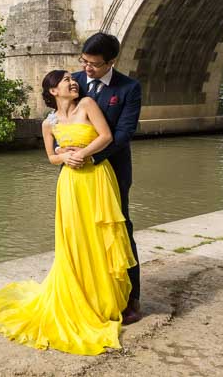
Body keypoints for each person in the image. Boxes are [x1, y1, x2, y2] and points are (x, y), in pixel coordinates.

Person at [0, 70, 137, 355]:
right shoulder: (48, 123)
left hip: (97, 177)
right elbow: (51, 157)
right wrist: (65, 156)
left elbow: (107, 136)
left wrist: (82, 154)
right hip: (70, 183)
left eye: (72, 80)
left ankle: (103, 298)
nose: (73, 82)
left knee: (99, 236)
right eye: (65, 81)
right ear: (53, 91)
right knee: (75, 240)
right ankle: (78, 292)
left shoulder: (87, 105)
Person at [65, 32, 142, 324]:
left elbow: (123, 134)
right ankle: (85, 291)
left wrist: (91, 155)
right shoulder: (74, 81)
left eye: (94, 65)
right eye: (84, 62)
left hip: (112, 169)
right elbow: (59, 117)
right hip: (74, 171)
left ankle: (130, 297)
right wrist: (64, 151)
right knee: (79, 232)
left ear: (111, 62)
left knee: (119, 230)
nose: (87, 69)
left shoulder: (129, 88)